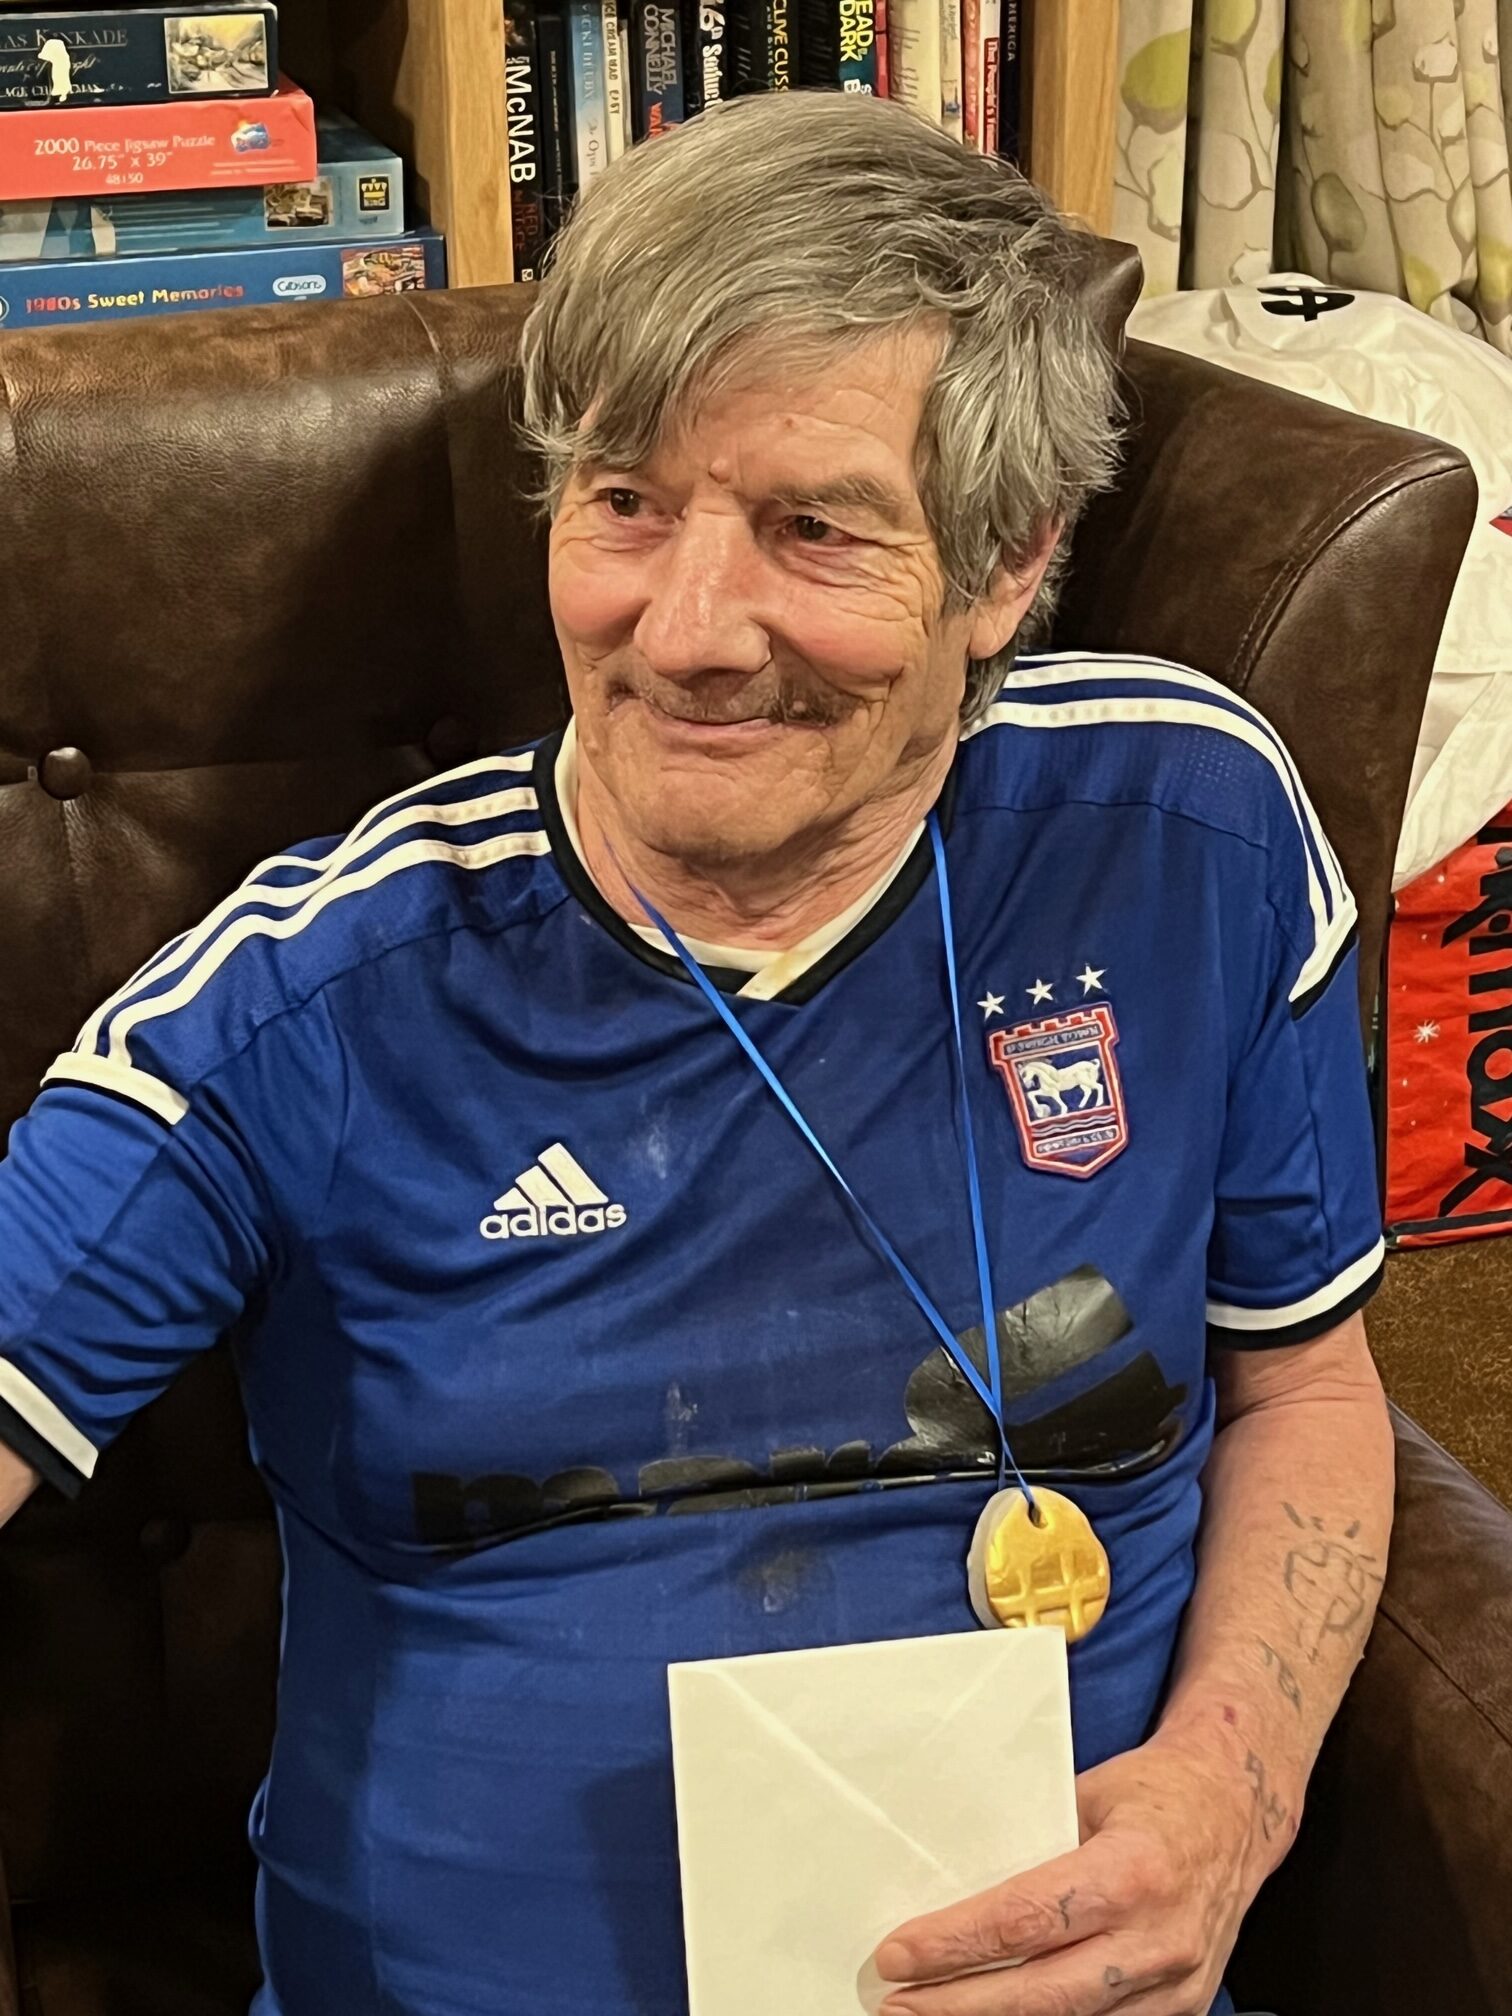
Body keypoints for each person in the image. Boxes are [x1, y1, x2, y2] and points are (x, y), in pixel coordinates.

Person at [0, 90, 1392, 2016]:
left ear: (1008, 566)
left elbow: (1311, 1397)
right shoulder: (311, 999)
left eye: (814, 528)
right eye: (627, 503)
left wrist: (1233, 1796)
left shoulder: (1188, 835)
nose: (687, 630)